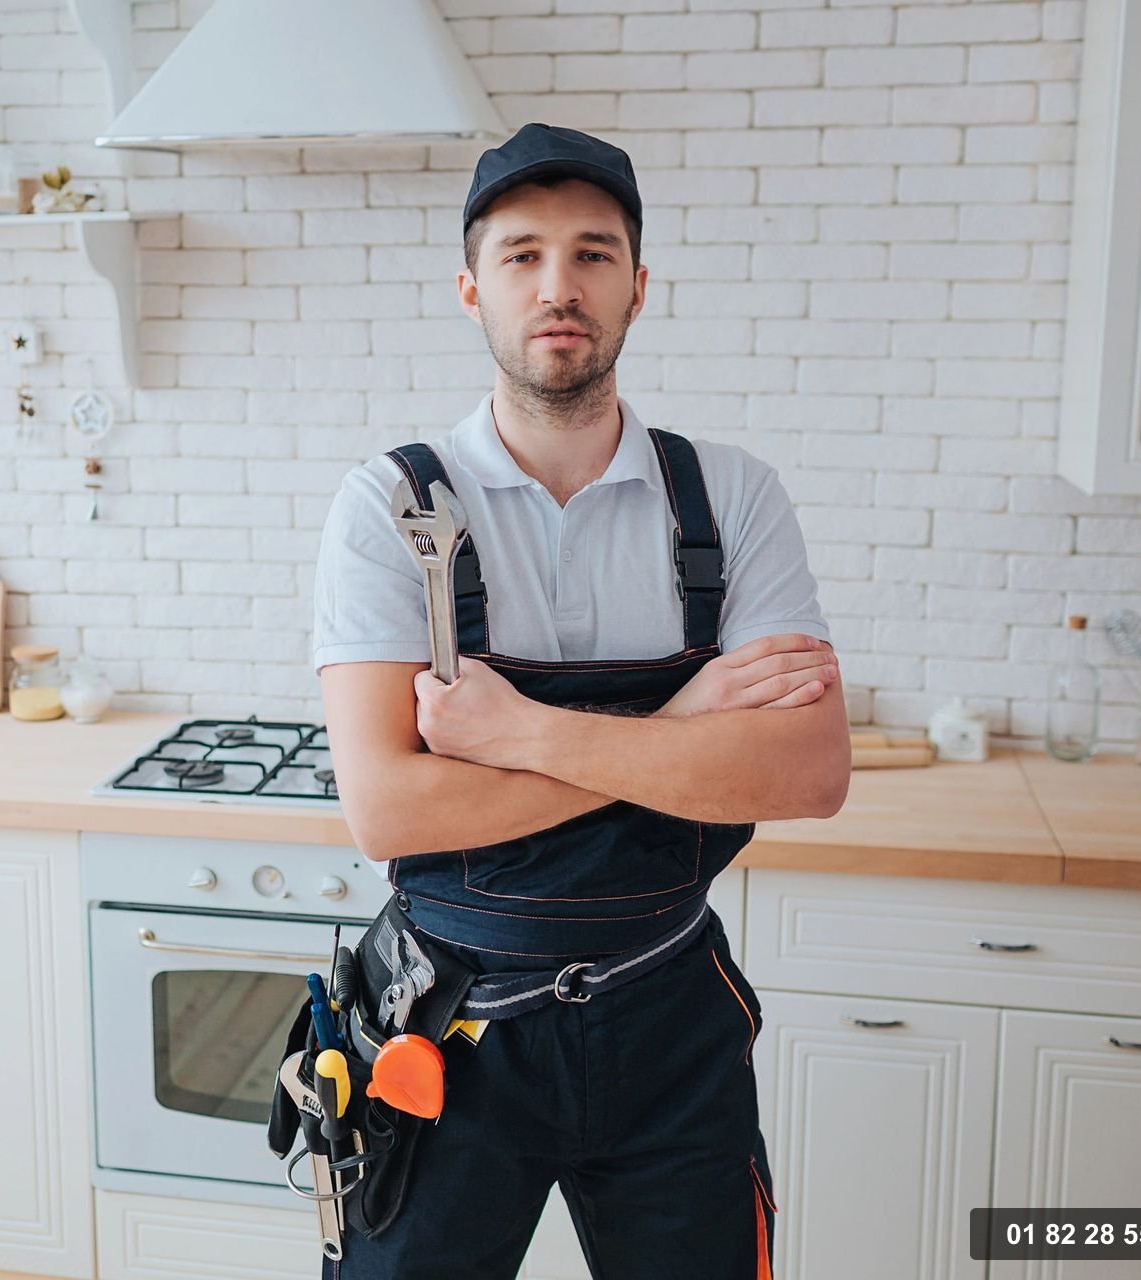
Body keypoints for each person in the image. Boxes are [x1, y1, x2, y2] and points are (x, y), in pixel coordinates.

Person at [310, 122, 853, 1279]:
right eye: (522, 256)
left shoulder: (730, 499)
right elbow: (391, 812)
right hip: (448, 1034)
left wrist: (521, 735)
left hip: (669, 1016)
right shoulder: (395, 508)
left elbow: (806, 772)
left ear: (639, 287)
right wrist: (678, 730)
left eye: (594, 254)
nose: (559, 286)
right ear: (471, 288)